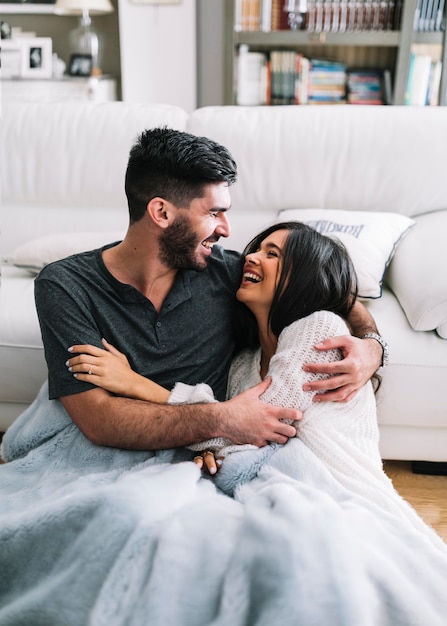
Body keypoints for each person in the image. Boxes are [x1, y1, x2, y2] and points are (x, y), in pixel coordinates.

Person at [35, 127, 383, 454]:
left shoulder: (229, 272)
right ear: (161, 212)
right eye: (214, 212)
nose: (227, 230)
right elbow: (99, 421)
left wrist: (372, 347)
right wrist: (223, 420)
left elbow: (330, 294)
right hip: (157, 448)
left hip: (212, 450)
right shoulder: (65, 286)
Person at [66, 222, 388, 492]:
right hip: (277, 488)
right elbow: (232, 429)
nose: (251, 258)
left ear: (303, 277)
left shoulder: (320, 328)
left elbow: (260, 424)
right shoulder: (244, 363)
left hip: (341, 491)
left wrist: (134, 383)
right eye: (258, 249)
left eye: (272, 254)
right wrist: (211, 448)